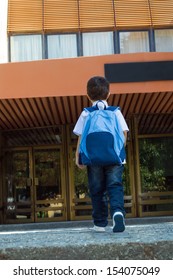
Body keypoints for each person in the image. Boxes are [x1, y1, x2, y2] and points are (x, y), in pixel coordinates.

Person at [73, 76, 129, 233]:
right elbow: (124, 133)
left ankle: (99, 223)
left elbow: (81, 136)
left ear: (87, 95)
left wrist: (78, 157)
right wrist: (118, 151)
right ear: (109, 94)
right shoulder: (115, 112)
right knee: (115, 185)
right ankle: (117, 212)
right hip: (114, 157)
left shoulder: (86, 113)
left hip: (93, 159)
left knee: (97, 189)